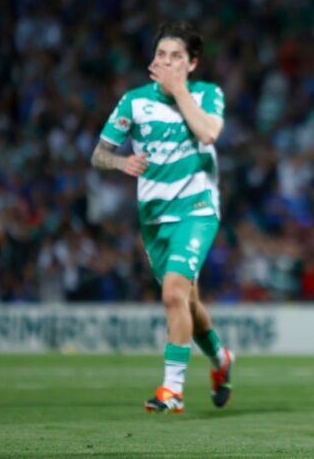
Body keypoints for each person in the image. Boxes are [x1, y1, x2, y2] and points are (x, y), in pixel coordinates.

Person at [91, 22, 234, 414]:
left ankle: (172, 391)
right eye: (161, 55)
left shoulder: (207, 94)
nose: (167, 62)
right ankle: (220, 358)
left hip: (197, 208)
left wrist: (179, 90)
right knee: (187, 301)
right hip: (154, 217)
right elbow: (99, 153)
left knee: (172, 293)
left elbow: (208, 133)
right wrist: (120, 162)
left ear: (192, 64)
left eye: (176, 57)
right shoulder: (134, 102)